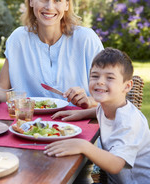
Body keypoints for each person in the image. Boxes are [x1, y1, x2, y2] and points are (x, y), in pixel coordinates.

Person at [0, 0, 103, 107]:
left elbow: (109, 93)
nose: (49, 7)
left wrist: (88, 100)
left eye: (57, 0)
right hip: (27, 123)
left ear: (67, 5)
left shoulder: (86, 39)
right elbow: (2, 89)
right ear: (31, 1)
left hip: (77, 124)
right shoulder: (18, 39)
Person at [45, 47, 150, 183]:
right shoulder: (108, 106)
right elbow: (99, 110)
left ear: (127, 86)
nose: (100, 81)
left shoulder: (128, 122)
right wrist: (80, 113)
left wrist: (84, 146)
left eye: (110, 77)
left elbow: (116, 165)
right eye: (95, 76)